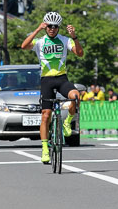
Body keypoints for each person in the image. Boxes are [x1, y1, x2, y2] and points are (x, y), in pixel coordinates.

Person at [20, 11, 83, 164]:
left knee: (76, 96)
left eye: (55, 26)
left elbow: (80, 53)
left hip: (62, 79)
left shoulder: (65, 40)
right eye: (49, 26)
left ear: (58, 27)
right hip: (46, 80)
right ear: (45, 26)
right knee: (46, 115)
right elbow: (23, 46)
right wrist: (37, 29)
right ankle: (45, 149)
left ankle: (67, 121)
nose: (52, 29)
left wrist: (74, 36)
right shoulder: (40, 41)